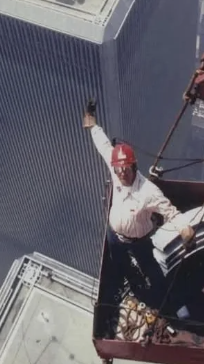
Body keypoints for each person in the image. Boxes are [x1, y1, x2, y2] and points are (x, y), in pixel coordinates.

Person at [82, 100, 195, 316]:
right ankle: (130, 281)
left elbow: (170, 212)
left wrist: (185, 230)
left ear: (134, 166)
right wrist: (92, 124)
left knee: (152, 270)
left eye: (126, 168)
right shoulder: (116, 170)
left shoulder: (148, 191)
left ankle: (168, 305)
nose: (122, 173)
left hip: (139, 241)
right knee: (120, 264)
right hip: (115, 235)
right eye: (118, 169)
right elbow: (104, 146)